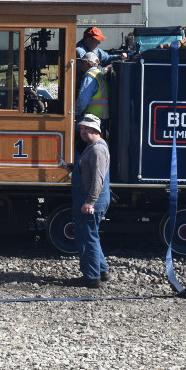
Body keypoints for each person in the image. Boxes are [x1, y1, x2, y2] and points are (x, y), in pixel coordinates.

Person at [71, 114, 111, 288]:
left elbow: (98, 179)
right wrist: (74, 167)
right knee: (92, 235)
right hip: (92, 198)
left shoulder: (96, 149)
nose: (83, 131)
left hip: (92, 199)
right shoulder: (93, 147)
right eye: (81, 128)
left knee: (88, 237)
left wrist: (90, 202)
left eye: (87, 128)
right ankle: (102, 270)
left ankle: (92, 278)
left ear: (96, 129)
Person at [75, 52, 109, 122]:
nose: (80, 64)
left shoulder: (90, 77)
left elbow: (83, 101)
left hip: (93, 118)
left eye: (82, 62)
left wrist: (73, 113)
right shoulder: (98, 74)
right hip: (101, 116)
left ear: (86, 63)